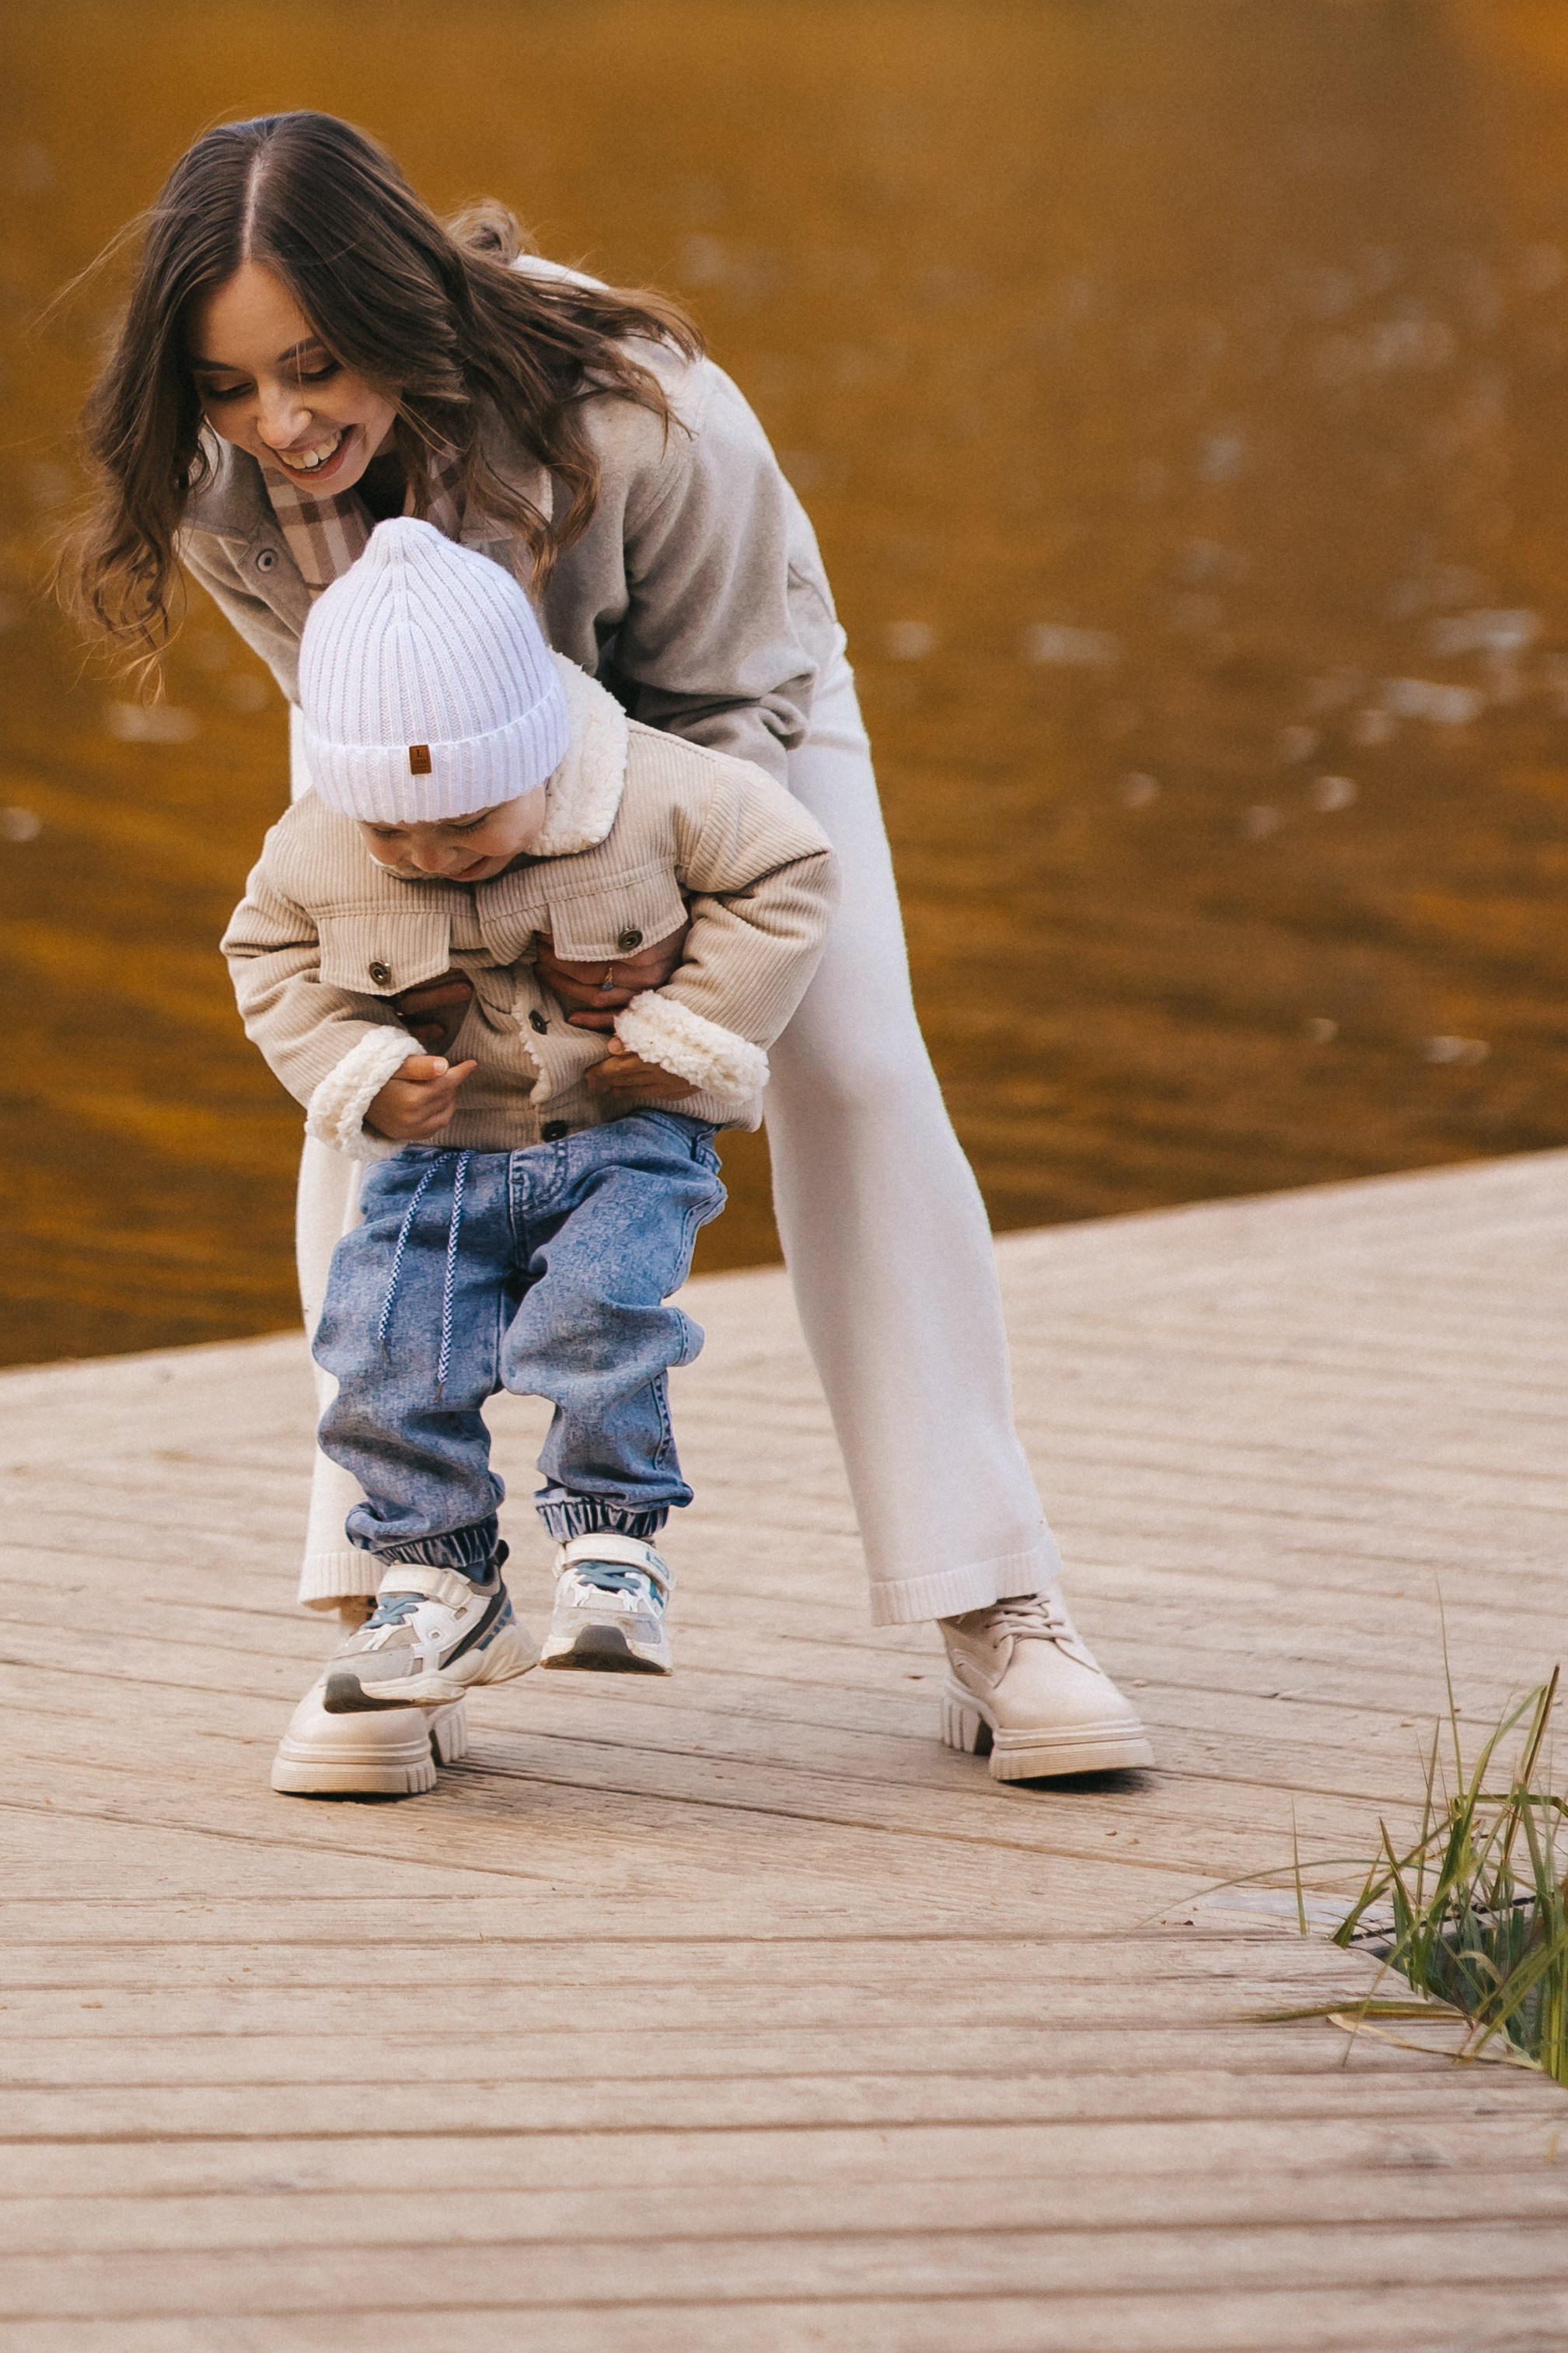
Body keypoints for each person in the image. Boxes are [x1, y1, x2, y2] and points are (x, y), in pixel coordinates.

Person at [62, 110, 1154, 1786]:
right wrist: (437, 945)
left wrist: (647, 941)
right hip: (413, 759)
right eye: (225, 386)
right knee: (375, 1092)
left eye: (314, 366)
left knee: (849, 1063)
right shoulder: (228, 484)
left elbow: (730, 701)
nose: (278, 424)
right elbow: (344, 712)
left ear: (400, 307)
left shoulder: (644, 410)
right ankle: (405, 1596)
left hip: (729, 720)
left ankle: (992, 1594)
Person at [223, 516, 837, 1770]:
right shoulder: (319, 843)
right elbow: (268, 956)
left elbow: (788, 872)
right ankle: (439, 1583)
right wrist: (364, 1071)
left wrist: (691, 1031)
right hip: (447, 1159)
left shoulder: (658, 792)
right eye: (394, 832)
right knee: (384, 1346)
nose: (430, 854)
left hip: (621, 1136)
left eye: (466, 820)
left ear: (538, 748)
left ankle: (612, 1546)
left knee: (596, 1311)